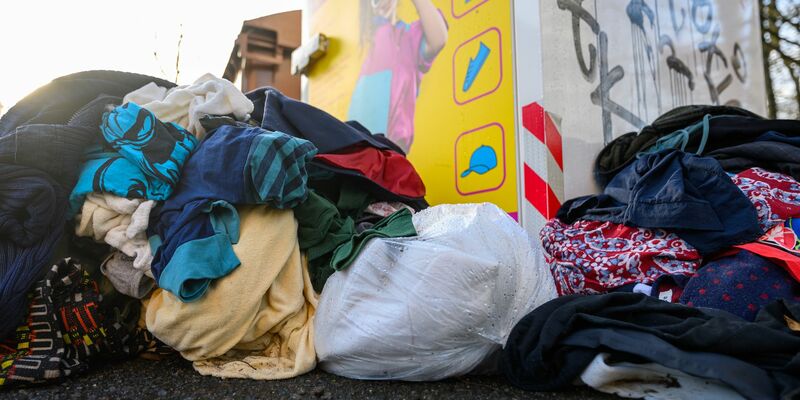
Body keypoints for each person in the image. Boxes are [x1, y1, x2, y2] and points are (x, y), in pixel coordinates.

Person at [348, 0, 448, 154]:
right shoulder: (369, 44)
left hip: (391, 152)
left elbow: (438, 39)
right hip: (362, 154)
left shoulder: (406, 37)